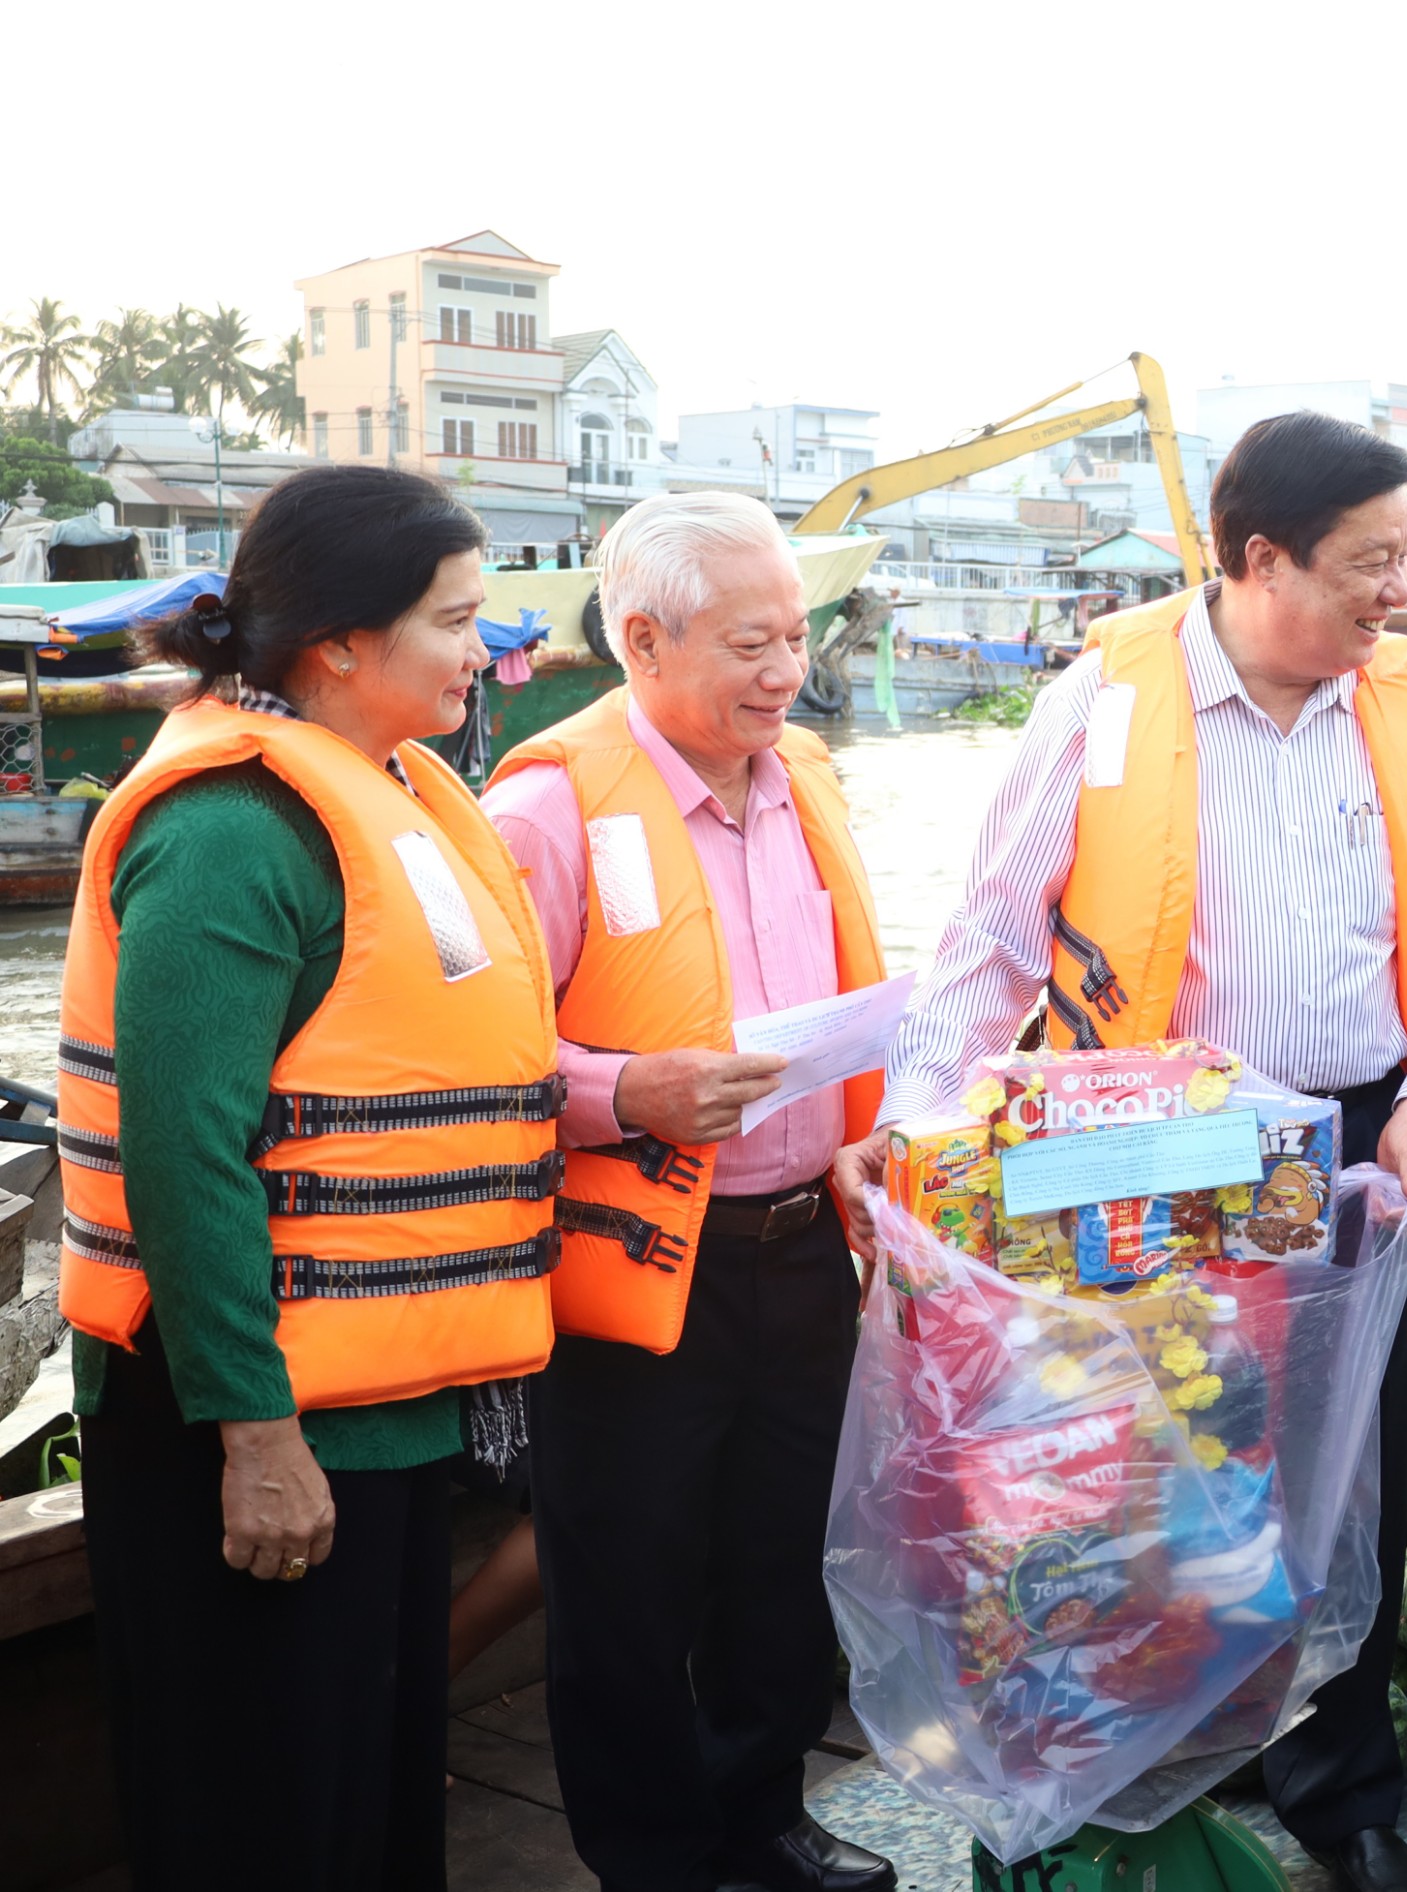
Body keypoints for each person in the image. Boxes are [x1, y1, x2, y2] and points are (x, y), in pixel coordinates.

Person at [862, 410, 1407, 1892]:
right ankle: (1141, 1785)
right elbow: (987, 941)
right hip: (1146, 1159)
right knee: (1151, 1475)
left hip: (1353, 1144)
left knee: (1345, 1468)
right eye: (1371, 562)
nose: (1396, 592)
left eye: (1404, 559)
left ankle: (1339, 1796)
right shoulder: (1107, 700)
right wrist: (917, 1134)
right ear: (1259, 559)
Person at [59, 465, 562, 1889]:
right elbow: (182, 1152)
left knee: (371, 1796)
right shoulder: (229, 830)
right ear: (341, 640)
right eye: (456, 621)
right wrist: (255, 1434)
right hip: (247, 1410)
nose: (485, 650)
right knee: (261, 1811)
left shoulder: (396, 791)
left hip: (385, 1403)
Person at [480, 492, 897, 1892]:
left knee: (779, 1557)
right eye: (750, 644)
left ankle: (764, 1817)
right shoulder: (545, 809)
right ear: (643, 639)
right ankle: (652, 1858)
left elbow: (846, 1002)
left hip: (798, 1246)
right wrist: (621, 1093)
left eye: (797, 636)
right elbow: (471, 1061)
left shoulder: (807, 780)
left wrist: (864, 1130)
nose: (787, 670)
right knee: (623, 1579)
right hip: (631, 1259)